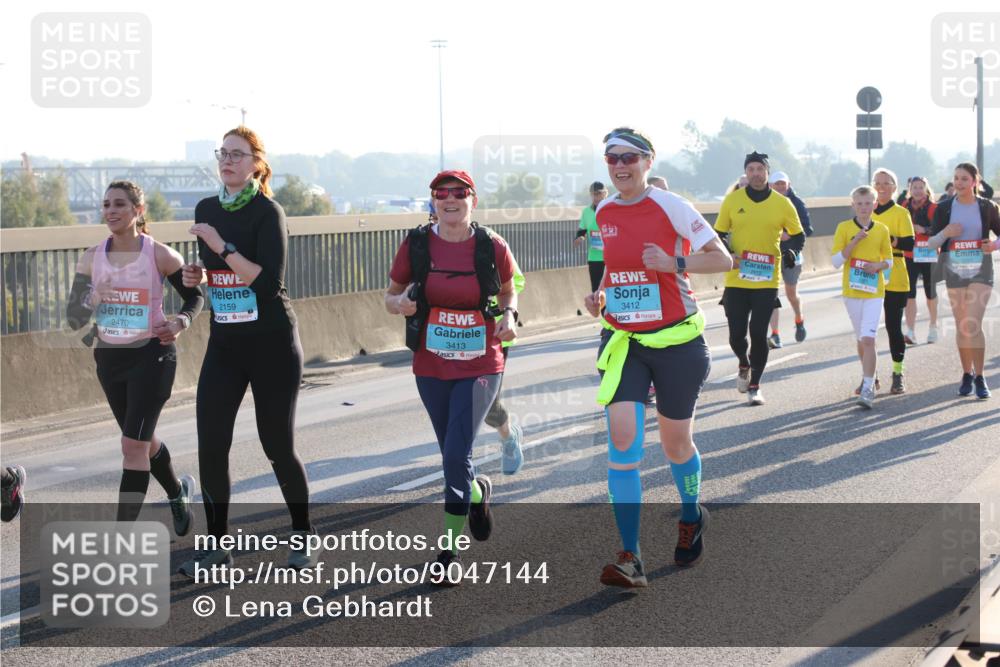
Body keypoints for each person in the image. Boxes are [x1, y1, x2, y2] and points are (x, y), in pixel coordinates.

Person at [586, 127, 731, 588]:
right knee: (623, 439)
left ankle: (691, 515)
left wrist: (675, 264)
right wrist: (601, 296)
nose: (620, 165)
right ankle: (630, 555)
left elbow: (722, 259)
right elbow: (615, 266)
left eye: (630, 157)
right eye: (612, 158)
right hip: (627, 341)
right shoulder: (603, 211)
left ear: (648, 161)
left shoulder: (672, 206)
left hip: (678, 343)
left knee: (674, 446)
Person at [179, 127, 315, 574]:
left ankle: (303, 535)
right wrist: (199, 273)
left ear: (257, 162)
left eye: (237, 154)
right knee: (211, 445)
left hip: (273, 343)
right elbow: (220, 273)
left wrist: (222, 246)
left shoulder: (267, 212)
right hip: (226, 343)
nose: (228, 160)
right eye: (223, 153)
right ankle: (216, 544)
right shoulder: (205, 208)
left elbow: (268, 283)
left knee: (277, 444)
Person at [385, 169, 518, 585]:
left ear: (472, 200)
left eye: (459, 193)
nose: (449, 198)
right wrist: (401, 305)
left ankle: (448, 551)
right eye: (441, 193)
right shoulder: (417, 244)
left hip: (481, 362)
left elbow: (509, 290)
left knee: (454, 454)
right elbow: (390, 296)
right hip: (432, 362)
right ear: (433, 202)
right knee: (452, 454)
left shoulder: (490, 245)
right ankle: (477, 493)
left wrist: (510, 314)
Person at [66, 180, 200, 530]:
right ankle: (177, 492)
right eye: (107, 204)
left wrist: (181, 322)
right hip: (110, 361)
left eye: (120, 205)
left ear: (138, 211)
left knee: (131, 446)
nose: (111, 211)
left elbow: (195, 298)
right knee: (140, 439)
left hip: (152, 357)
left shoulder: (159, 254)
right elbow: (74, 317)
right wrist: (94, 296)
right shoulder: (91, 257)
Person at [715, 152, 804, 406]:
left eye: (760, 169)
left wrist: (790, 252)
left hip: (766, 278)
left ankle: (755, 386)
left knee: (758, 332)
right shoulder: (733, 201)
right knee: (736, 336)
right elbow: (718, 234)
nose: (756, 173)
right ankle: (743, 363)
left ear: (767, 172)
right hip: (736, 278)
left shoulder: (783, 204)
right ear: (746, 172)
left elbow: (798, 236)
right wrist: (728, 253)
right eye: (751, 169)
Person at [928, 162, 1000, 399]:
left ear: (975, 182)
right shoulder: (944, 208)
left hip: (981, 269)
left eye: (964, 179)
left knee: (973, 323)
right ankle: (966, 373)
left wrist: (993, 245)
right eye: (956, 178)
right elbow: (930, 243)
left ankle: (980, 377)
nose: (959, 183)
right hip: (954, 269)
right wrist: (945, 233)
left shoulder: (987, 207)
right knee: (962, 326)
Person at [832, 186, 893, 409]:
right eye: (860, 203)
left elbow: (890, 260)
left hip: (874, 293)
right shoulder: (844, 228)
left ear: (875, 204)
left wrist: (878, 266)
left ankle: (867, 388)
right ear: (853, 205)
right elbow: (836, 261)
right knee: (861, 339)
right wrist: (855, 241)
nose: (864, 207)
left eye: (868, 203)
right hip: (852, 292)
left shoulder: (882, 229)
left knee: (869, 339)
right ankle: (869, 374)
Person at [871, 168, 915, 395]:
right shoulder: (866, 210)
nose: (881, 187)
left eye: (887, 183)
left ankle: (898, 373)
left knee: (892, 327)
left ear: (895, 187)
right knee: (867, 329)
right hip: (868, 275)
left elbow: (909, 243)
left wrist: (887, 239)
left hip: (895, 274)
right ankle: (871, 375)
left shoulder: (900, 213)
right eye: (877, 183)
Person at [767, 170, 814, 347]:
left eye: (782, 184)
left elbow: (808, 229)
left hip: (791, 255)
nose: (780, 187)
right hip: (770, 254)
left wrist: (789, 235)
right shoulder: (765, 202)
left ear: (788, 185)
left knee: (791, 294)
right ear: (770, 185)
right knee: (772, 294)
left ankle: (799, 320)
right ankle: (775, 334)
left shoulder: (796, 203)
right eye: (776, 184)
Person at [900, 177, 940, 344]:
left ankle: (933, 326)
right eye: (914, 187)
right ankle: (910, 331)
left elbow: (940, 230)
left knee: (930, 292)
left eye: (920, 187)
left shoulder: (933, 207)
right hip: (910, 254)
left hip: (928, 253)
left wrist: (924, 229)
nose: (917, 190)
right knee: (910, 294)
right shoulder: (904, 206)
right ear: (910, 189)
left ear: (926, 189)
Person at [575, 181, 609, 292]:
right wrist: (579, 238)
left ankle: (610, 310)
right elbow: (582, 229)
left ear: (605, 194)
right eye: (593, 194)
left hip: (611, 256)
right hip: (594, 257)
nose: (596, 197)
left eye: (598, 193)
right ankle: (600, 310)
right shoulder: (586, 211)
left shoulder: (611, 209)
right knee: (596, 290)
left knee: (610, 289)